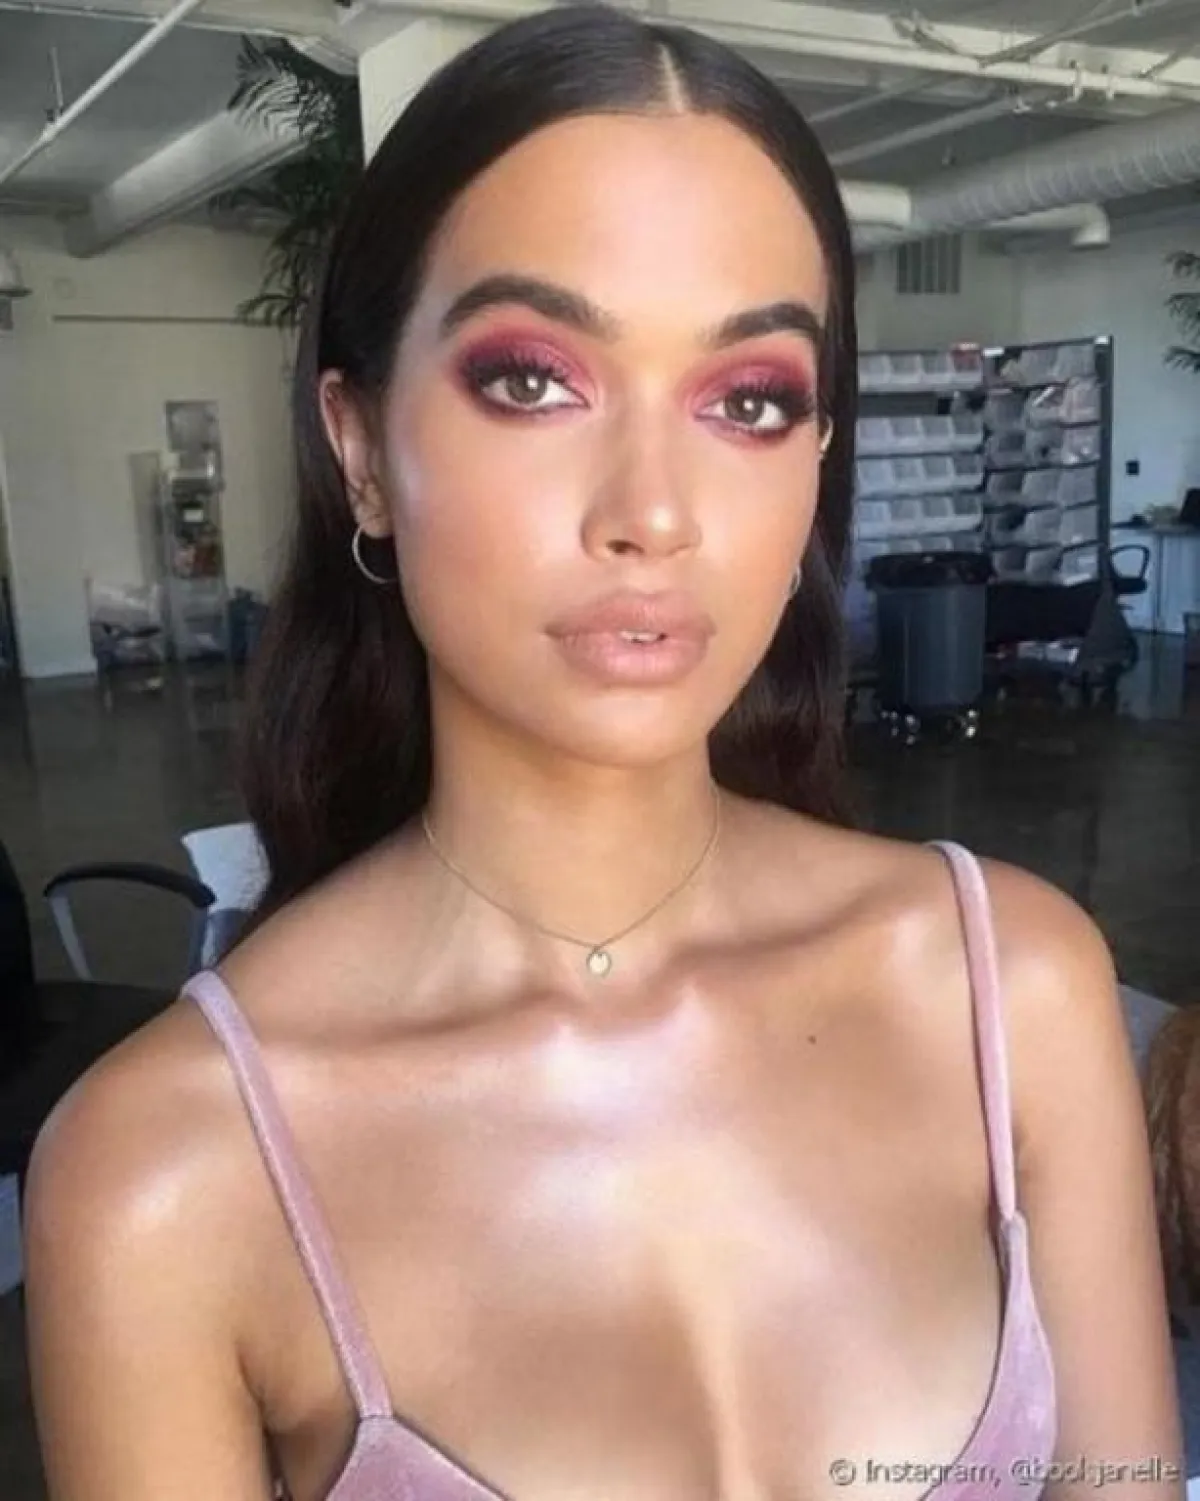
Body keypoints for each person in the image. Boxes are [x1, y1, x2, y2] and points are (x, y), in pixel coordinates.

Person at [22, 6, 1180, 1499]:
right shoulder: (167, 1172)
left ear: (815, 458)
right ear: (361, 449)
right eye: (533, 379)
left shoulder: (1014, 992)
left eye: (749, 400)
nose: (654, 511)